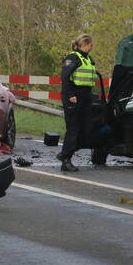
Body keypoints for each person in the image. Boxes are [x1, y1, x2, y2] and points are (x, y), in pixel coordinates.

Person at [56, 34, 97, 172]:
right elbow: (65, 77)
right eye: (90, 45)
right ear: (85, 44)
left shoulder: (88, 59)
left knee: (86, 128)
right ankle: (66, 159)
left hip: (86, 96)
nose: (91, 47)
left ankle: (64, 154)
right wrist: (71, 95)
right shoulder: (73, 58)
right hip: (74, 96)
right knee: (73, 128)